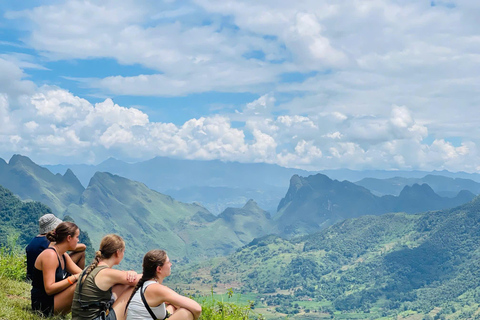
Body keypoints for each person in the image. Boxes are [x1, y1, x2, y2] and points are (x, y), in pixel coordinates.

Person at [72, 234, 140, 320]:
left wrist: (129, 273)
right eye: (123, 251)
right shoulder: (106, 273)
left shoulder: (91, 269)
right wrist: (133, 273)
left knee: (122, 284)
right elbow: (143, 279)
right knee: (132, 287)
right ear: (118, 253)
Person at [125, 250, 201, 320]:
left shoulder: (145, 286)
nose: (171, 264)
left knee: (172, 307)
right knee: (185, 313)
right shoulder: (156, 288)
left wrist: (172, 303)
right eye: (168, 262)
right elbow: (197, 308)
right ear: (159, 269)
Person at [31, 221, 83, 316]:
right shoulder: (50, 255)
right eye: (77, 237)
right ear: (69, 238)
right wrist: (74, 278)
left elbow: (83, 274)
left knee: (85, 280)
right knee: (80, 285)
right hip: (43, 305)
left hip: (54, 299)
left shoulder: (63, 255)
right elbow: (49, 289)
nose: (78, 240)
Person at [26, 213, 86, 280]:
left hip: (31, 276)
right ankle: (81, 281)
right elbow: (83, 247)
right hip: (44, 276)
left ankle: (80, 279)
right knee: (81, 253)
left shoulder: (34, 240)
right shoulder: (51, 242)